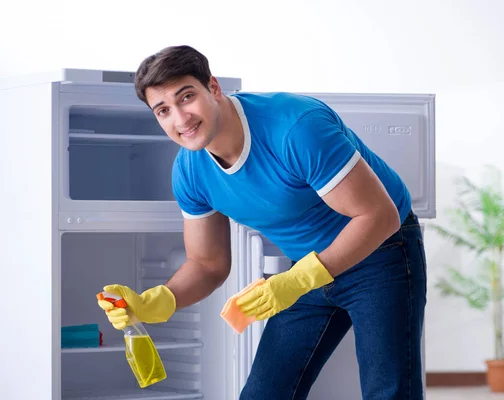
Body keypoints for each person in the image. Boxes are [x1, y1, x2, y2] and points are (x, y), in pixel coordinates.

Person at [97, 45, 427, 400]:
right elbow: (208, 264)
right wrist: (159, 300)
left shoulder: (295, 127)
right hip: (306, 267)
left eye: (186, 97)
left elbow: (379, 216)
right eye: (163, 110)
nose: (180, 119)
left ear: (214, 87)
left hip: (381, 251)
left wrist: (299, 279)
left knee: (389, 391)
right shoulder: (190, 171)